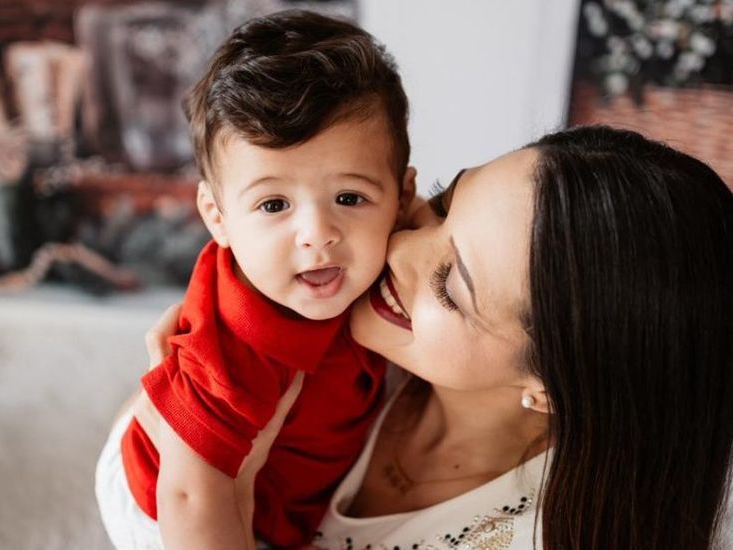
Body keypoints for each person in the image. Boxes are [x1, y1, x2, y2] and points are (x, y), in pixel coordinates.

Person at [142, 125, 733, 549]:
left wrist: (229, 486)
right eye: (443, 205)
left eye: (451, 287)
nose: (396, 248)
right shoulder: (327, 322)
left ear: (550, 386)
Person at [94, 10, 417, 550]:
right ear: (216, 216)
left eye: (349, 198)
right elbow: (191, 499)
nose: (317, 235)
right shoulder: (235, 341)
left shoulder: (401, 251)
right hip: (165, 504)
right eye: (274, 204)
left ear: (403, 200)